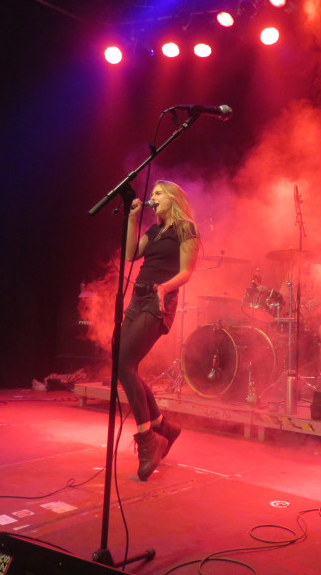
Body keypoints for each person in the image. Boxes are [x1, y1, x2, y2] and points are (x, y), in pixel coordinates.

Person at [121, 180, 200, 481]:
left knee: (125, 365)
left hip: (158, 300)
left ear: (172, 199)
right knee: (123, 365)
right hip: (137, 299)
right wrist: (132, 218)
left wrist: (165, 287)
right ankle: (163, 428)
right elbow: (131, 255)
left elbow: (187, 272)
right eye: (152, 194)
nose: (152, 198)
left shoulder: (186, 228)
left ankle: (148, 439)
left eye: (157, 193)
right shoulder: (153, 231)